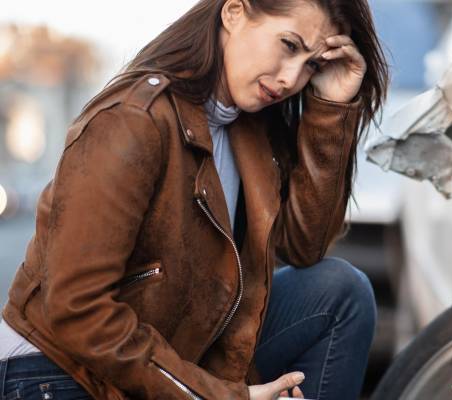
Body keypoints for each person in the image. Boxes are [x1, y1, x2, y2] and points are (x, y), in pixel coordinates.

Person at [0, 0, 388, 398]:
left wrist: (331, 108)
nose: (292, 79)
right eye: (289, 45)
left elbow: (304, 248)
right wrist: (219, 396)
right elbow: (77, 310)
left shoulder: (250, 129)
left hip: (165, 356)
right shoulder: (133, 119)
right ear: (234, 12)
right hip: (55, 373)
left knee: (339, 292)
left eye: (312, 65)